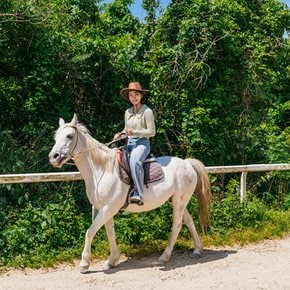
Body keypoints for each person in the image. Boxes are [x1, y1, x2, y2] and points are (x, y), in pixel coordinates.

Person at [114, 82, 156, 205]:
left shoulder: (147, 111)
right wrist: (120, 134)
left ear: (141, 95)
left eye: (136, 94)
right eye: (131, 95)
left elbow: (152, 132)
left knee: (134, 161)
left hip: (142, 144)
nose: (133, 97)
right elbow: (126, 130)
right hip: (129, 143)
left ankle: (138, 194)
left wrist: (134, 132)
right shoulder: (127, 112)